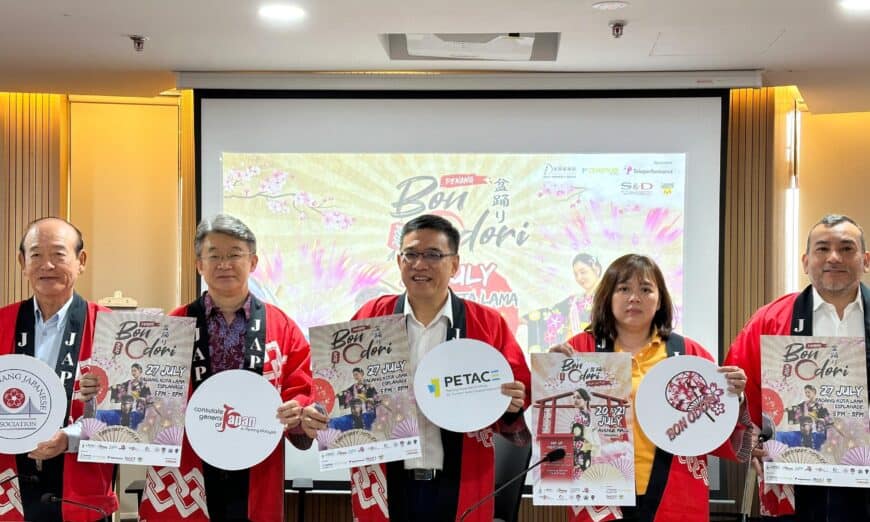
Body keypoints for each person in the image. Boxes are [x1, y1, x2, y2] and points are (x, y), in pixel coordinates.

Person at [302, 214, 531, 522]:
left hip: (461, 477)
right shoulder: (372, 316)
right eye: (411, 254)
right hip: (385, 477)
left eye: (433, 254)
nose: (419, 264)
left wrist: (513, 401)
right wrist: (318, 410)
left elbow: (518, 391)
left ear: (454, 264)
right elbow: (336, 383)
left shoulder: (487, 323)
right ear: (399, 261)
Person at [138, 214, 314, 522]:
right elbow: (145, 391)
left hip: (257, 464)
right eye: (214, 256)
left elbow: (302, 388)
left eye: (234, 254)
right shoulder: (172, 325)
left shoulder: (282, 326)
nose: (224, 264)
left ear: (253, 262)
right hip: (186, 467)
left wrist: (298, 410)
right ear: (199, 264)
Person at [550, 253, 751, 521]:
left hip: (676, 494)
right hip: (597, 492)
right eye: (624, 289)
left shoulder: (689, 354)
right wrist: (551, 377)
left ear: (660, 300)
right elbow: (556, 425)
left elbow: (719, 433)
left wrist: (735, 397)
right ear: (607, 296)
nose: (635, 297)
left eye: (646, 289)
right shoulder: (578, 350)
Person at [725, 214, 870, 522]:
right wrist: (750, 442)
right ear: (806, 261)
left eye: (846, 248)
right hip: (794, 472)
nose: (834, 257)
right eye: (822, 249)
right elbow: (735, 392)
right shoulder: (770, 319)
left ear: (865, 260)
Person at [0, 217, 117, 521]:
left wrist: (69, 438)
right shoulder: (2, 323)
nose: (47, 265)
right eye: (36, 255)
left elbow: (128, 417)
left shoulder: (112, 329)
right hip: (8, 496)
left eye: (58, 254)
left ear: (81, 261)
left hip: (82, 498)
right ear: (22, 262)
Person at [525, 253, 602, 351]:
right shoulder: (574, 300)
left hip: (604, 351)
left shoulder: (611, 296)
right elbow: (551, 314)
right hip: (578, 350)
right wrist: (528, 319)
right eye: (576, 274)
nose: (579, 278)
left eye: (583, 272)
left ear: (596, 269)